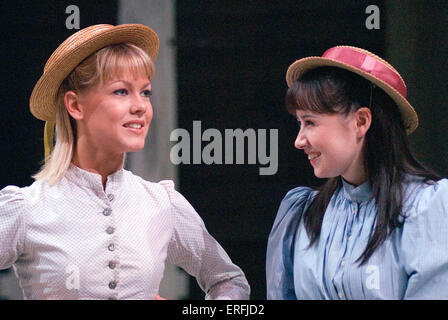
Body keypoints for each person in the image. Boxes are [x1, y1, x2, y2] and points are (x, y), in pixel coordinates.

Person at [0, 24, 250, 300]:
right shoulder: (27, 209)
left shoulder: (161, 202)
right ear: (75, 106)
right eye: (121, 91)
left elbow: (228, 280)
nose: (140, 106)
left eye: (145, 92)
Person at [266, 45, 448, 299]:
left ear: (361, 121)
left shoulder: (428, 206)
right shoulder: (302, 213)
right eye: (299, 123)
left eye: (310, 122)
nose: (299, 140)